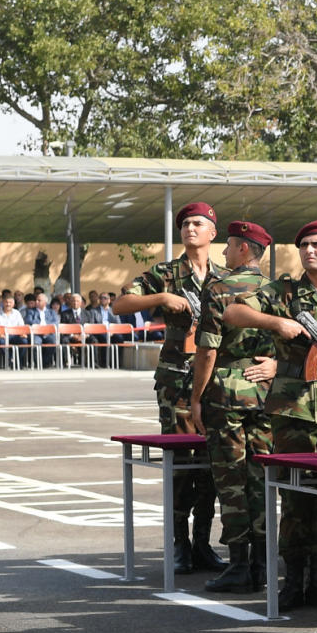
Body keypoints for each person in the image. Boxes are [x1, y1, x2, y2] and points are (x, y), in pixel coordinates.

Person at [221, 219, 317, 606]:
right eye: (303, 245)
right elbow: (233, 314)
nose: (309, 250)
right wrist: (277, 323)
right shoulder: (282, 293)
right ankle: (293, 582)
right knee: (294, 496)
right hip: (294, 410)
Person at [117, 202, 220, 574]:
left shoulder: (224, 277)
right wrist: (160, 298)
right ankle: (179, 544)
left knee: (211, 464)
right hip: (177, 380)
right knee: (180, 465)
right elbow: (121, 304)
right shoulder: (166, 272)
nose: (190, 229)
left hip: (215, 382)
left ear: (212, 232)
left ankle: (203, 542)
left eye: (198, 223)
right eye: (185, 224)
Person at [187, 221, 277, 596]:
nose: (224, 252)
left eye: (229, 246)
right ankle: (265, 563)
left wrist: (196, 397)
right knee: (262, 481)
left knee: (231, 482)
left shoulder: (219, 288)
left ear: (243, 249)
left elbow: (207, 349)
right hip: (266, 393)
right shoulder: (276, 289)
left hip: (226, 396)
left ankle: (241, 564)